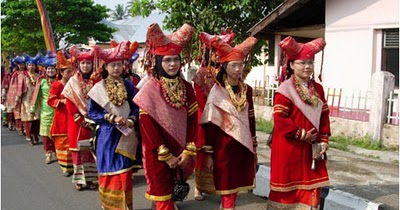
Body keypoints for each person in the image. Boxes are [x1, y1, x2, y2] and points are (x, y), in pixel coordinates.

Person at [133, 23, 198, 210]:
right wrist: (166, 155)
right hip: (157, 154)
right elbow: (147, 128)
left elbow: (193, 121)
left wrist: (188, 150)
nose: (172, 64)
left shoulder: (187, 88)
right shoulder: (150, 89)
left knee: (171, 193)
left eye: (176, 60)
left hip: (182, 151)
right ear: (158, 62)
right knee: (162, 195)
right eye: (167, 60)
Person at [266, 36, 330, 210]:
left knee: (312, 187)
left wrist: (323, 139)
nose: (307, 66)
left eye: (310, 62)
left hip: (311, 148)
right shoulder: (285, 90)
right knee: (287, 190)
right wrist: (301, 134)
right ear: (292, 65)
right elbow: (280, 119)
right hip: (289, 147)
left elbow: (324, 116)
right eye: (302, 63)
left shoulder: (318, 89)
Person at [200, 36, 258, 210]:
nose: (238, 69)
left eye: (240, 65)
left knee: (238, 183)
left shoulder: (247, 90)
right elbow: (210, 125)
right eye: (234, 65)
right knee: (226, 184)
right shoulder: (217, 91)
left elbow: (251, 117)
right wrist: (208, 153)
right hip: (223, 146)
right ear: (225, 67)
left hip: (243, 144)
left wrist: (254, 146)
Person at [87, 40, 139, 210]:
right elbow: (92, 112)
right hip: (107, 135)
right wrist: (110, 117)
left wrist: (131, 119)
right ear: (105, 68)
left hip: (126, 133)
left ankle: (126, 206)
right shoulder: (98, 88)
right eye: (112, 65)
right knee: (110, 171)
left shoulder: (129, 85)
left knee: (124, 171)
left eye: (119, 65)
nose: (116, 68)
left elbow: (137, 106)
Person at [192, 30, 236, 201]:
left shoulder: (228, 73)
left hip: (227, 119)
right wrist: (212, 117)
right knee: (203, 153)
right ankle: (199, 187)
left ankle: (221, 188)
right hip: (205, 118)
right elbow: (200, 100)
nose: (219, 56)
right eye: (216, 53)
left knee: (223, 155)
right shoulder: (202, 74)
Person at [62, 45, 100, 191]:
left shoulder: (97, 81)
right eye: (83, 63)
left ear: (92, 64)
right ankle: (79, 180)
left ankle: (91, 180)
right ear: (78, 65)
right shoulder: (72, 82)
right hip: (77, 122)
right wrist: (79, 117)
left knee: (91, 151)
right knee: (78, 151)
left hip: (94, 121)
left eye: (88, 63)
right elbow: (70, 101)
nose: (85, 66)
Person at [48, 51, 74, 176]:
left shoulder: (74, 84)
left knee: (72, 141)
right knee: (62, 142)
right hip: (61, 116)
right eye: (67, 72)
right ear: (62, 73)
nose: (70, 74)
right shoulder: (57, 85)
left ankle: (73, 165)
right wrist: (62, 101)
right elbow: (50, 100)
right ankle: (64, 167)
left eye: (71, 71)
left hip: (72, 115)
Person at [31, 52, 57, 163]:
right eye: (49, 69)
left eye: (53, 69)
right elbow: (37, 96)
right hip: (46, 111)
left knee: (57, 134)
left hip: (58, 111)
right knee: (46, 135)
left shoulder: (60, 81)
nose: (50, 71)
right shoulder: (41, 81)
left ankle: (58, 152)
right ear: (45, 70)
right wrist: (33, 109)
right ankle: (48, 154)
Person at [6, 55, 29, 135]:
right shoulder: (15, 74)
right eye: (19, 64)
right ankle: (20, 128)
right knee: (17, 111)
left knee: (26, 110)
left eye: (22, 64)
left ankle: (26, 128)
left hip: (26, 95)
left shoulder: (27, 73)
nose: (21, 66)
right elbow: (12, 86)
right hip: (17, 95)